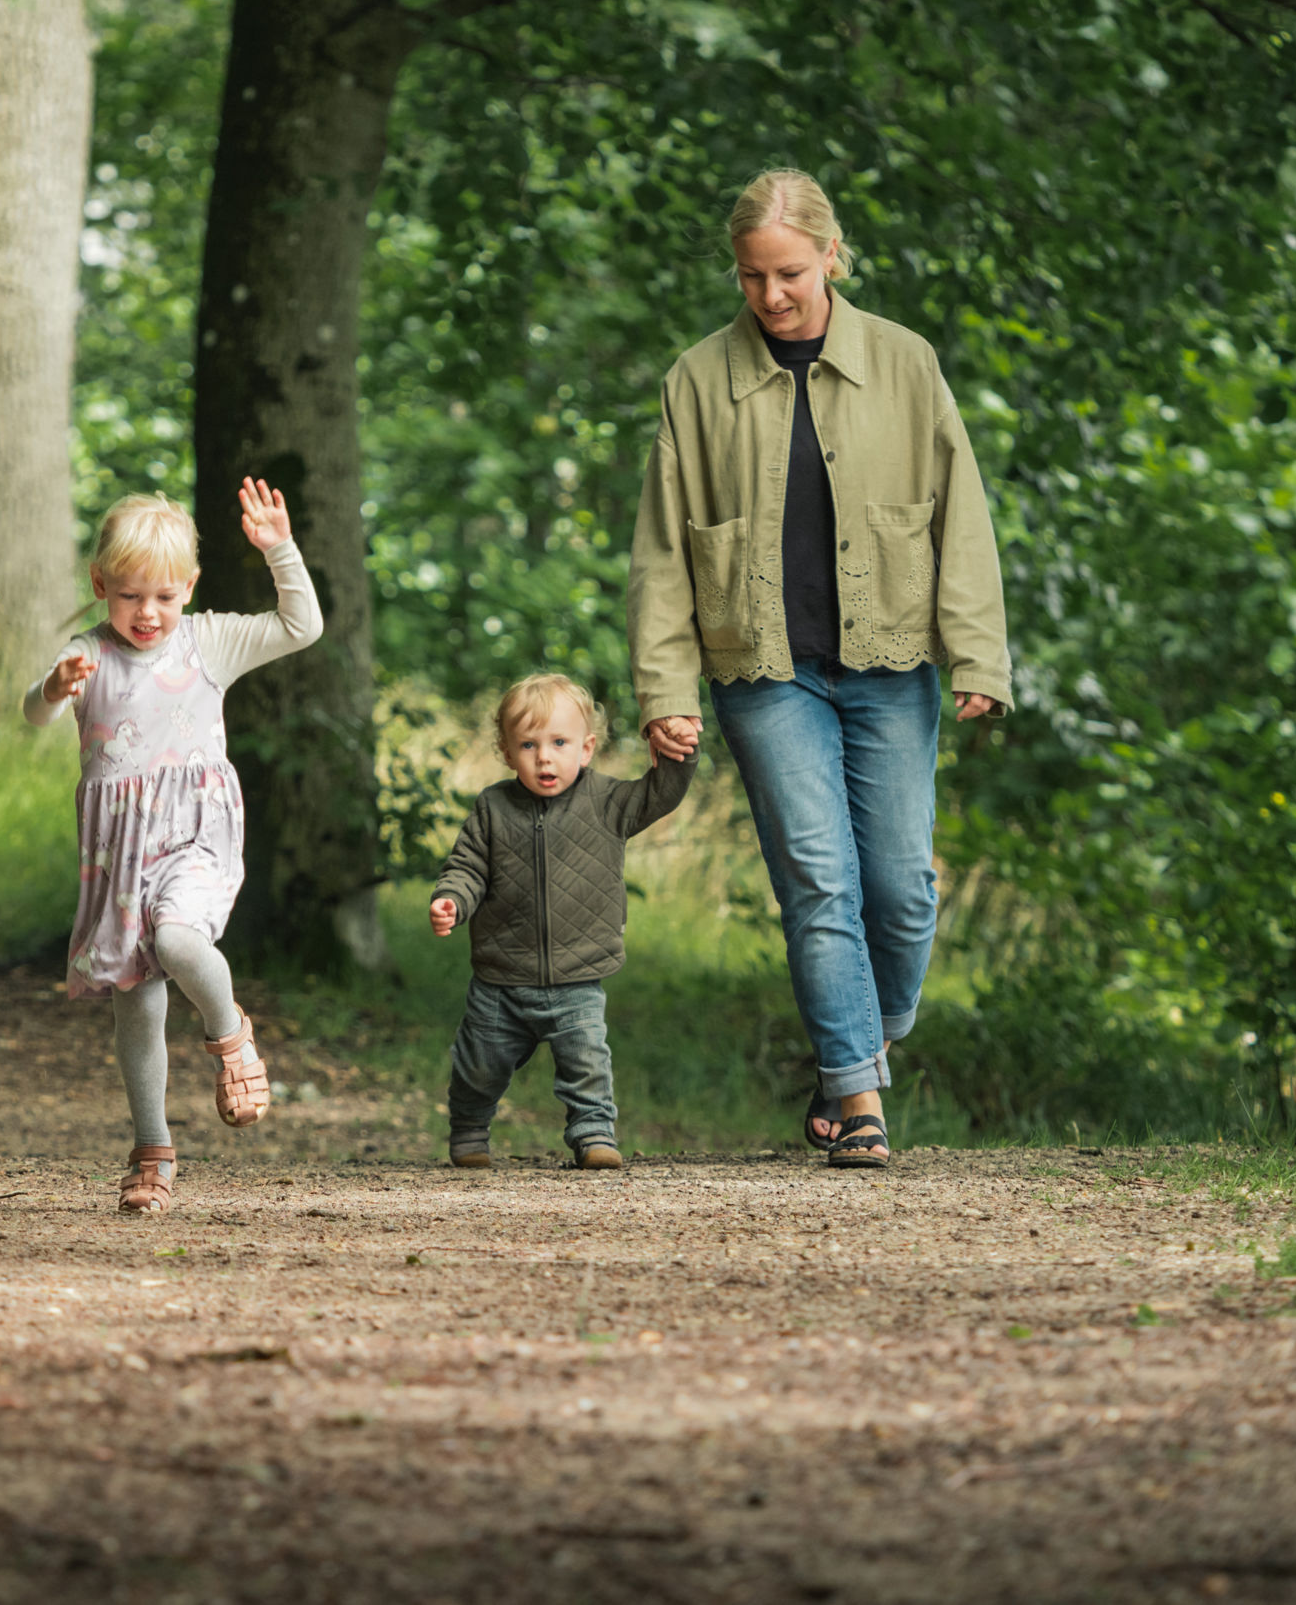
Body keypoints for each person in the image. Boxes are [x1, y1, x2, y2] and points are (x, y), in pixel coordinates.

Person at [628, 168, 1009, 1170]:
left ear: (830, 256)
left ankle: (860, 1045)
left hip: (890, 660)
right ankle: (854, 1095)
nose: (771, 297)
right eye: (752, 278)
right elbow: (663, 548)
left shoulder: (904, 364)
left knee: (901, 892)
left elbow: (959, 515)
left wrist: (977, 653)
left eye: (789, 273)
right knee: (817, 880)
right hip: (761, 669)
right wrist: (664, 690)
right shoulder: (696, 379)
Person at [24, 481, 320, 1215]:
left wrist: (278, 548)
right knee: (138, 1004)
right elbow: (33, 711)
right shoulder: (87, 653)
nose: (147, 614)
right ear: (101, 587)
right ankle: (152, 1151)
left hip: (195, 837)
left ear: (188, 586)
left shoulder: (207, 640)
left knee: (181, 941)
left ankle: (231, 1036)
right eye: (129, 597)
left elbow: (302, 626)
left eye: (163, 595)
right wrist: (55, 688)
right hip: (119, 853)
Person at [427, 673, 694, 1171]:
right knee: (478, 1066)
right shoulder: (493, 807)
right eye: (528, 744)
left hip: (578, 974)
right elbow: (466, 868)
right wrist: (451, 901)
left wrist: (680, 753)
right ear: (507, 752)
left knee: (586, 1062)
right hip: (501, 978)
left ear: (587, 748)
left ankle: (593, 1134)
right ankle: (469, 1131)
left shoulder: (607, 802)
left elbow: (660, 794)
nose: (544, 757)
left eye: (559, 743)